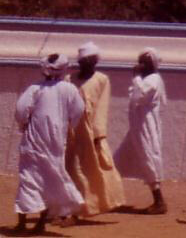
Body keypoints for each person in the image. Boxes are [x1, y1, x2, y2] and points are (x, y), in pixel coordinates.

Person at [14, 52, 85, 233]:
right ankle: (40, 223)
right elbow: (78, 110)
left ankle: (22, 223)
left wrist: (23, 124)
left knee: (28, 178)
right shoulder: (69, 89)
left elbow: (21, 109)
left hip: (33, 141)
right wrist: (69, 124)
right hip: (55, 141)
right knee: (50, 178)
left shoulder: (35, 88)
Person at [65, 41, 124, 217]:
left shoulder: (102, 79)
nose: (87, 64)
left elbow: (102, 107)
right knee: (71, 168)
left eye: (91, 61)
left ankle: (90, 206)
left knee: (92, 169)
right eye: (84, 61)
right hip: (70, 130)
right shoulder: (70, 79)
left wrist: (98, 134)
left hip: (90, 132)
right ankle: (71, 208)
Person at [114, 49, 167, 214]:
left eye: (144, 62)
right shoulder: (145, 79)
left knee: (148, 158)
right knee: (117, 162)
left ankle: (159, 201)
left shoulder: (153, 79)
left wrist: (136, 77)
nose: (140, 64)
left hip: (146, 127)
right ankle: (107, 196)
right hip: (137, 127)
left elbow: (141, 96)